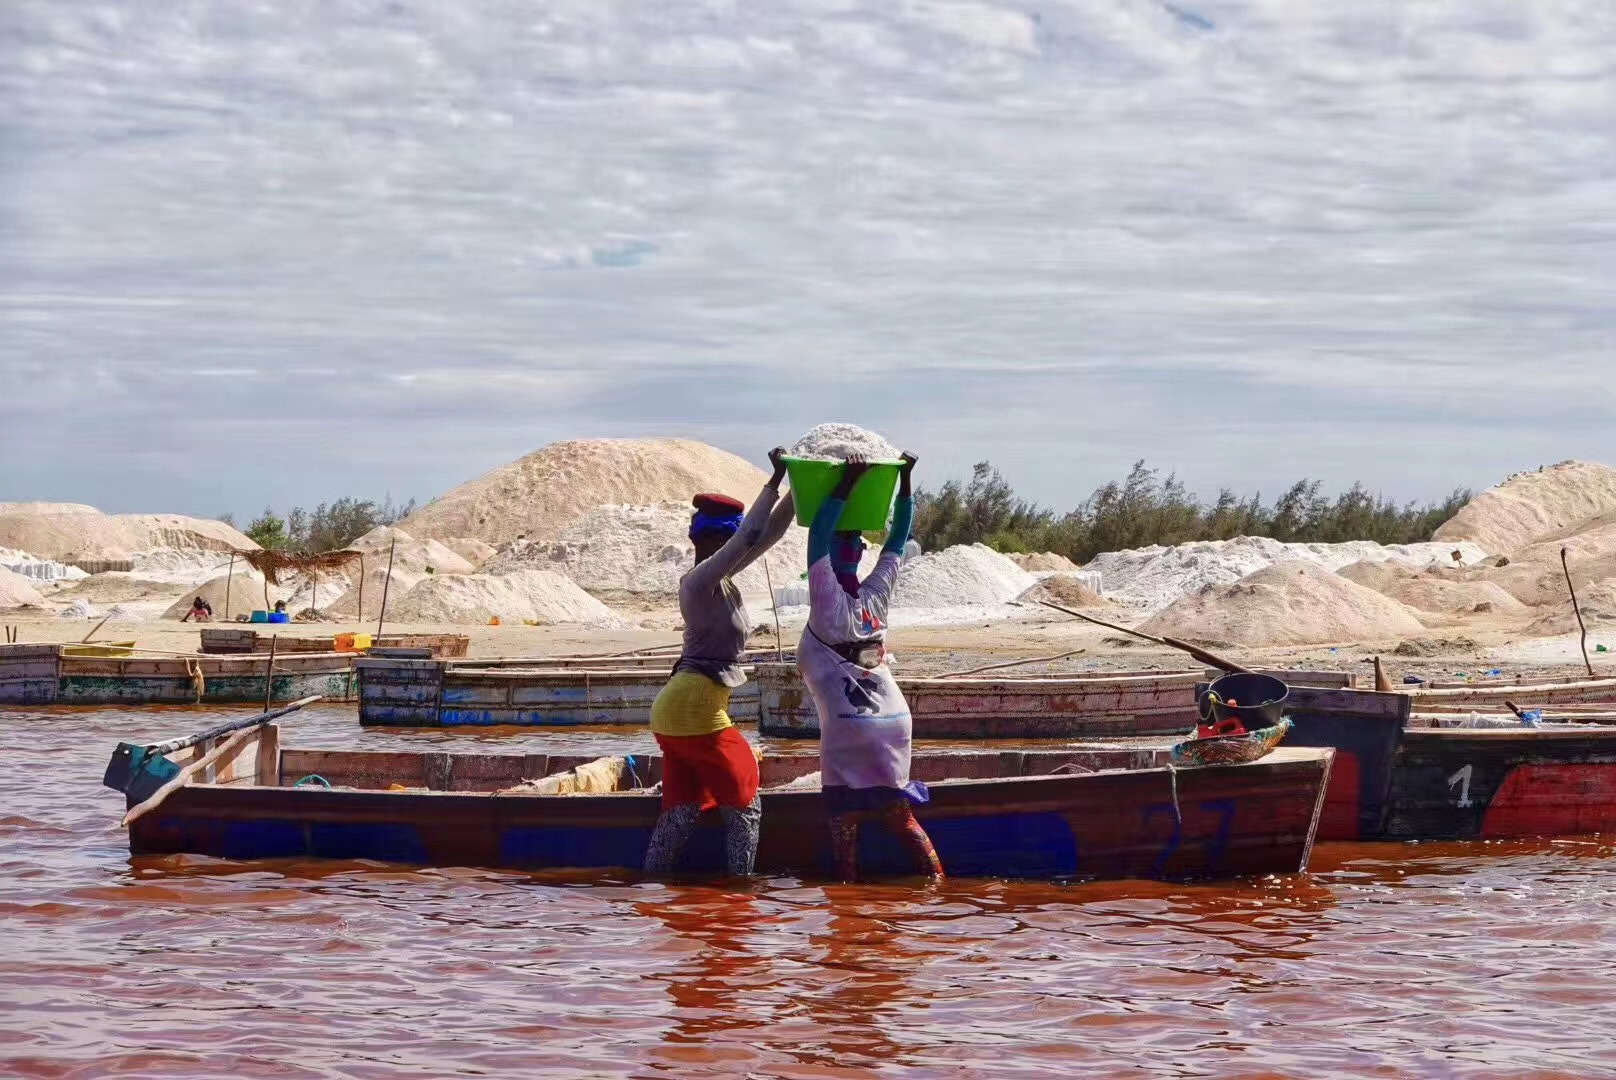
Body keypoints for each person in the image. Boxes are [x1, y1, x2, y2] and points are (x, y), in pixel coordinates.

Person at [643, 449, 796, 877]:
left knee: (681, 811)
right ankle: (740, 893)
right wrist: (775, 477)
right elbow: (748, 536)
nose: (733, 547)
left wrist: (798, 486)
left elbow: (768, 534)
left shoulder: (720, 578)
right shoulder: (699, 582)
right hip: (695, 709)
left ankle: (654, 889)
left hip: (681, 712)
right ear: (711, 540)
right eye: (725, 541)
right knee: (746, 801)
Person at [798, 452, 943, 880]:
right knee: (902, 818)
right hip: (895, 722)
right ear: (860, 552)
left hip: (850, 725)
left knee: (844, 826)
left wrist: (847, 482)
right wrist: (906, 481)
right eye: (858, 541)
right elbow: (899, 538)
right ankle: (937, 884)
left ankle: (847, 900)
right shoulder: (877, 595)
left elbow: (817, 537)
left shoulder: (826, 601)